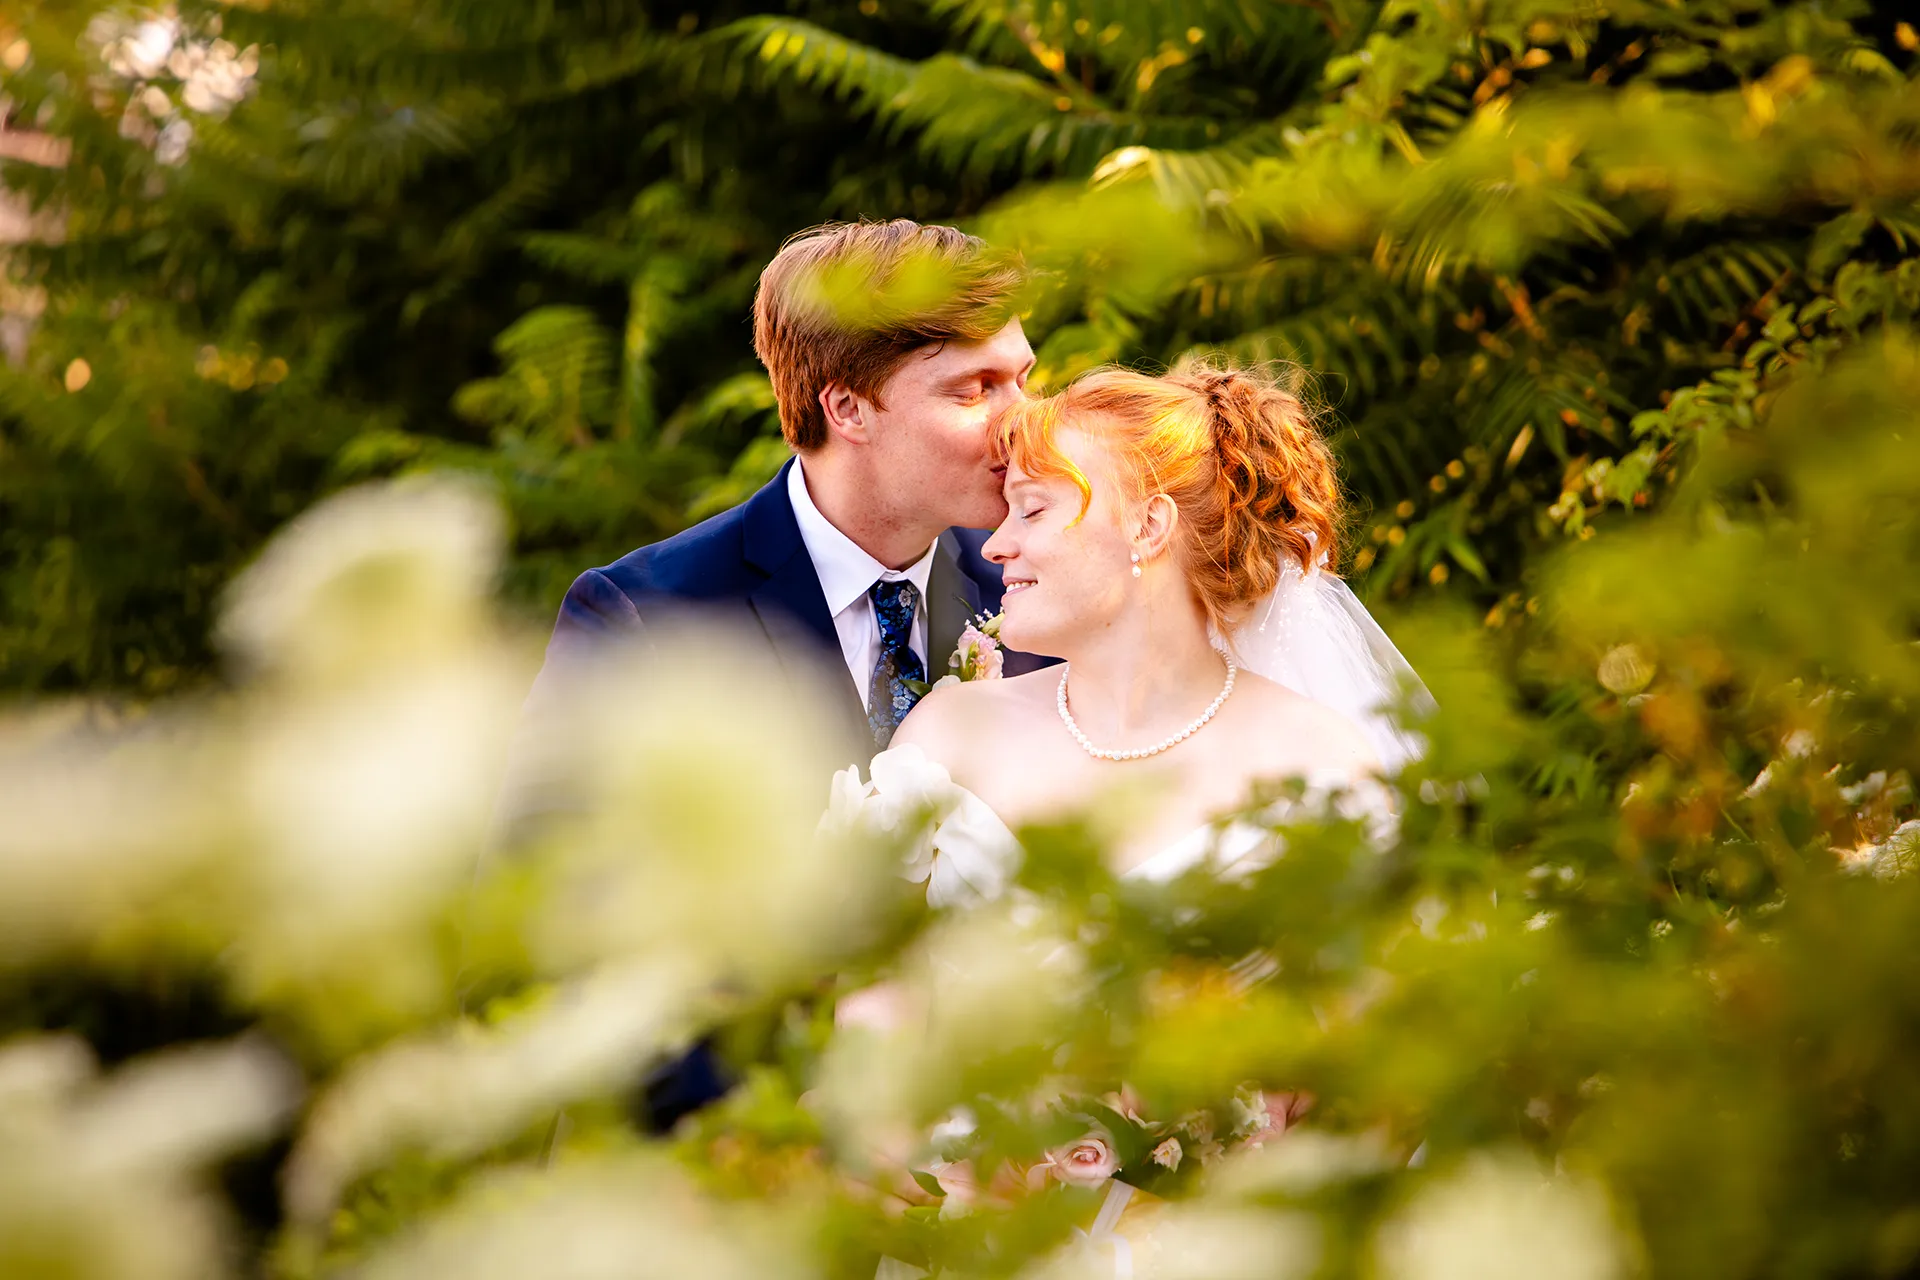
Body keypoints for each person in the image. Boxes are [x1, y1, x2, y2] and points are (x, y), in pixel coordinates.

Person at [509, 218, 1044, 1129]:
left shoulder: (1039, 596)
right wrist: (787, 1136)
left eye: (1025, 376)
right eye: (976, 389)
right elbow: (553, 940)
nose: (1025, 419)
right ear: (848, 409)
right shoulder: (648, 619)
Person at [839, 357, 1428, 902]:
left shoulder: (1317, 764)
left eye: (1033, 509)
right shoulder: (945, 741)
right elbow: (875, 1000)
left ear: (1148, 526)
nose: (995, 545)